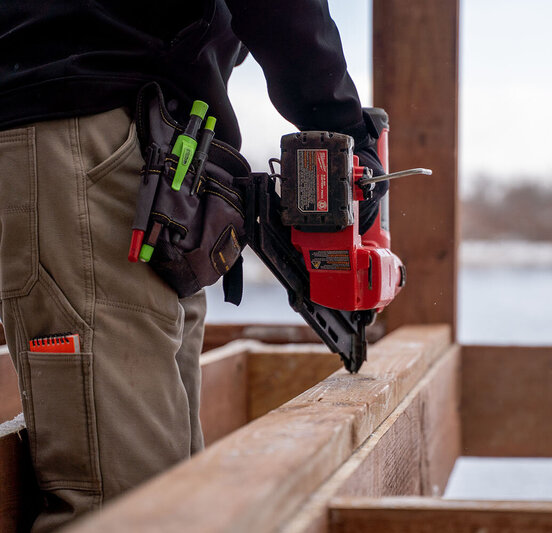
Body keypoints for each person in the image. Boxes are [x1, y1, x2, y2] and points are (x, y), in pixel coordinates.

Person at [0, 1, 385, 530]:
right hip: (92, 130)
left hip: (157, 156)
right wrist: (342, 124)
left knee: (172, 488)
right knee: (125, 506)